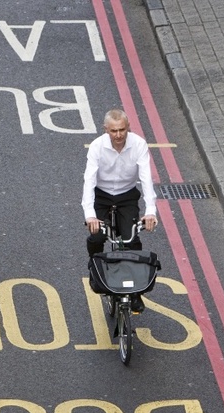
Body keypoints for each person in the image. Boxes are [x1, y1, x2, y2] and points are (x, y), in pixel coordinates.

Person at [82, 109, 158, 313]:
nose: (118, 135)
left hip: (126, 196)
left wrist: (150, 211)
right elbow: (89, 181)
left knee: (131, 240)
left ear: (128, 127)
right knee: (97, 237)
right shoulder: (97, 147)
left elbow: (146, 179)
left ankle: (135, 294)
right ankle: (95, 268)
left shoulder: (139, 144)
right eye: (113, 131)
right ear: (105, 129)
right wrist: (90, 215)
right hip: (102, 195)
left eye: (122, 130)